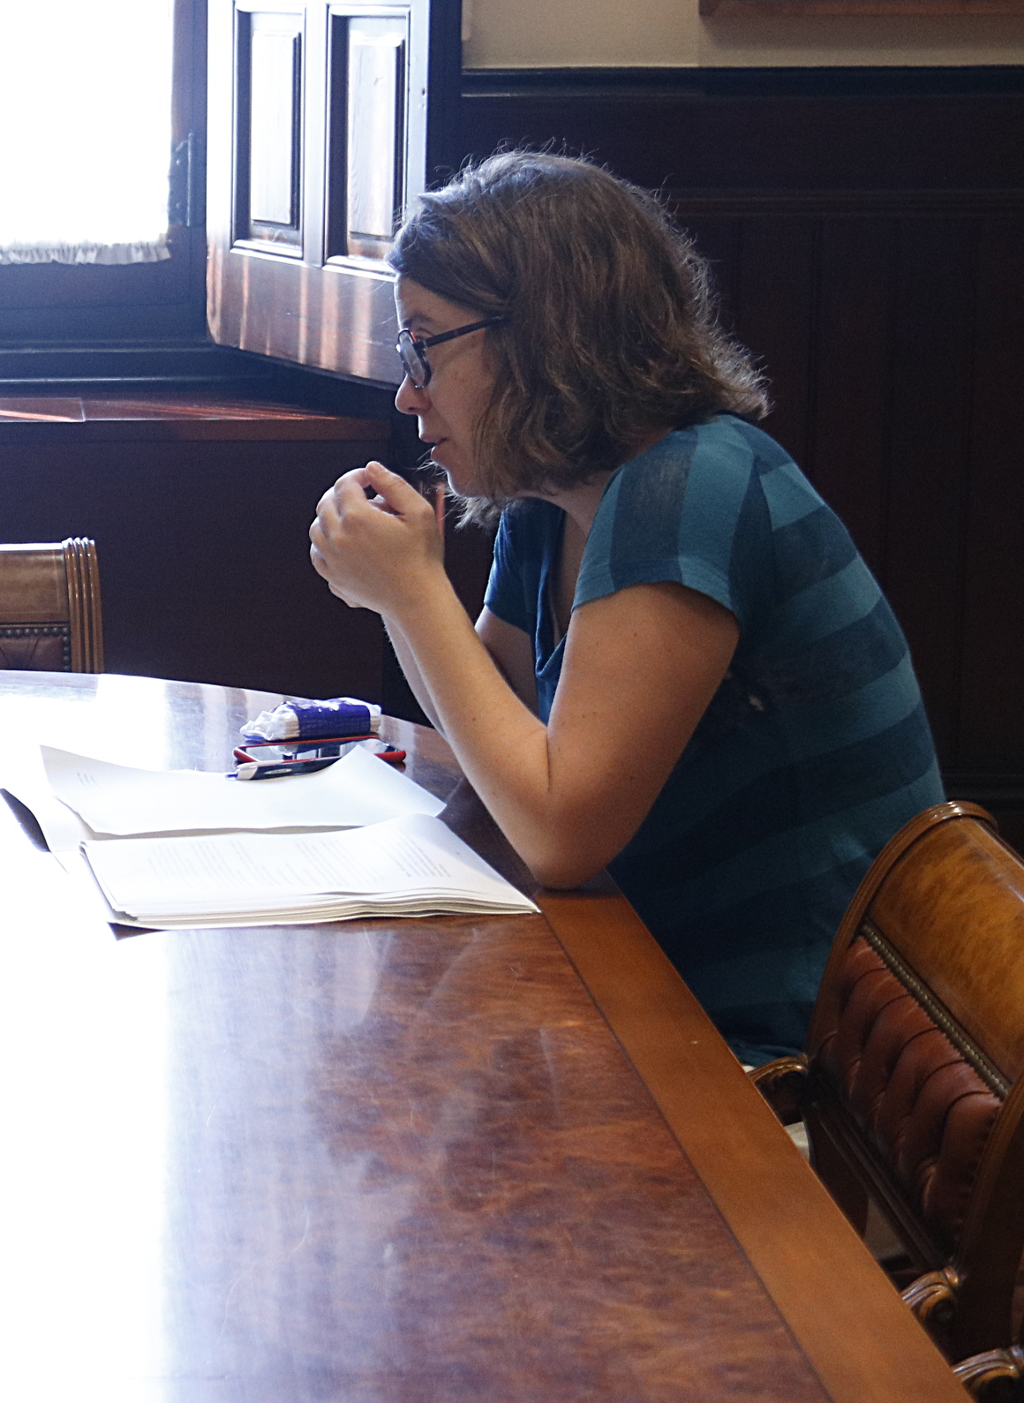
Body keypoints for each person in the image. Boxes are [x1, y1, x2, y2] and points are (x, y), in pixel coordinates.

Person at [306, 152, 941, 1065]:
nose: (408, 390)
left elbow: (560, 830)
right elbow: (495, 735)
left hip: (791, 1073)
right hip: (658, 996)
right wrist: (401, 595)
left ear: (539, 337)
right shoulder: (554, 500)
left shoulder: (690, 488)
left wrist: (412, 593)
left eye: (424, 345)